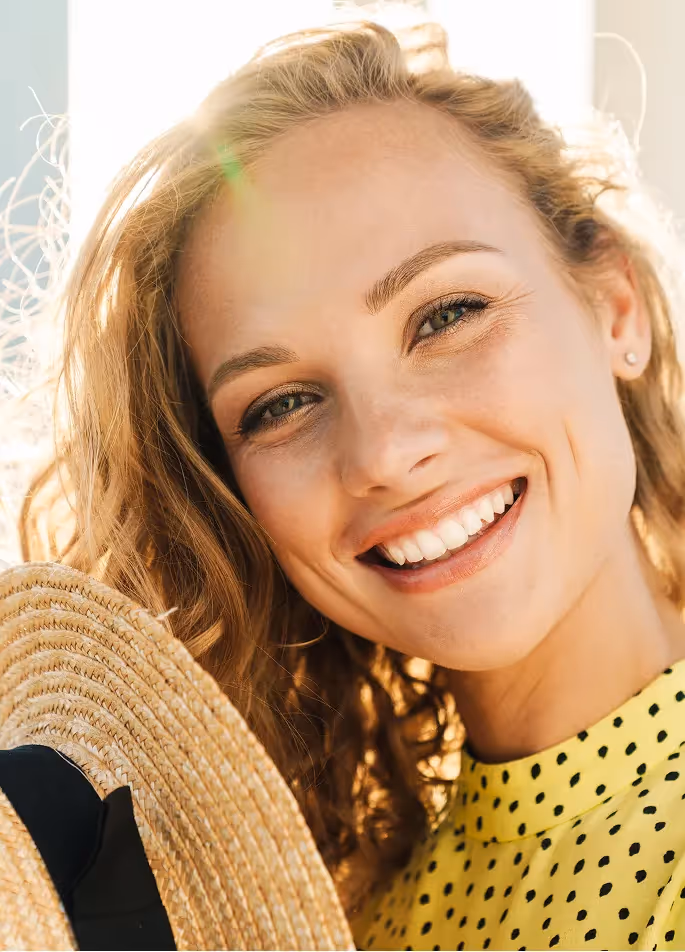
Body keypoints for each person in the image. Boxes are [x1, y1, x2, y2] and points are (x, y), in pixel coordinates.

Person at [5, 15, 685, 951]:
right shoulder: (359, 919)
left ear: (615, 306)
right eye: (279, 403)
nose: (381, 451)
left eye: (448, 313)